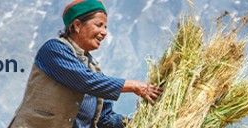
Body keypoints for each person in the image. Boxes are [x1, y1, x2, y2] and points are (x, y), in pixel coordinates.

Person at [9, 0, 162, 127]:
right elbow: (85, 81)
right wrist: (134, 86)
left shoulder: (94, 69)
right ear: (77, 25)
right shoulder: (53, 50)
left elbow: (105, 118)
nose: (104, 32)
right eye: (99, 25)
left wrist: (142, 122)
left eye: (105, 27)